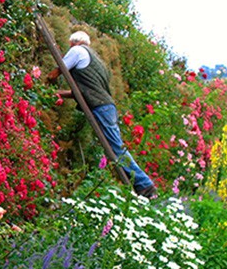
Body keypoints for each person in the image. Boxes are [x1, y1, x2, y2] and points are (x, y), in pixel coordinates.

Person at [46, 31, 157, 198]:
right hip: (106, 106)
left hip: (101, 107)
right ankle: (142, 184)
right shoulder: (95, 60)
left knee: (116, 149)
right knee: (115, 148)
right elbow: (84, 91)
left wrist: (44, 82)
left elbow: (56, 72)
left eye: (69, 46)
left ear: (74, 43)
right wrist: (58, 94)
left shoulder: (77, 51)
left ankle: (144, 184)